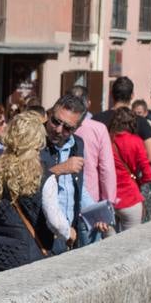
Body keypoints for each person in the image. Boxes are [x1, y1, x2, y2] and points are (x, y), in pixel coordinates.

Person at [0, 112, 73, 274]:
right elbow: (56, 222)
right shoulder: (44, 177)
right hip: (25, 257)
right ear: (38, 141)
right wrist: (69, 232)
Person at [40, 95, 110, 254]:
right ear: (49, 114)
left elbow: (78, 187)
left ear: (77, 128)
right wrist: (60, 169)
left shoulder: (78, 143)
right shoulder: (34, 140)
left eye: (67, 128)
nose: (58, 130)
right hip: (41, 235)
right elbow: (26, 184)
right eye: (56, 121)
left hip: (69, 233)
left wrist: (95, 213)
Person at [68, 86, 117, 213]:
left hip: (64, 198)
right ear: (88, 103)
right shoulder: (98, 129)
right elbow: (106, 169)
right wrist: (108, 201)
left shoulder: (59, 126)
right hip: (91, 199)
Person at [107, 108, 151, 232]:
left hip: (108, 199)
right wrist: (138, 180)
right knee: (130, 244)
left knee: (108, 246)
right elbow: (148, 175)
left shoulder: (107, 140)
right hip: (130, 197)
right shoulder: (136, 141)